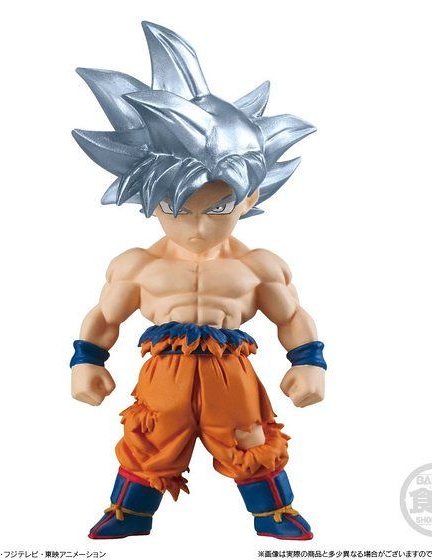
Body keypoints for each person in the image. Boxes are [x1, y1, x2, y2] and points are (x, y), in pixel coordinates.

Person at [70, 21, 327, 540]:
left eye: (218, 208)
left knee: (249, 437)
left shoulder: (258, 266)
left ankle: (274, 513)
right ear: (149, 202)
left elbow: (292, 317)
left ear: (250, 198)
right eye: (177, 209)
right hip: (163, 372)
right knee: (149, 436)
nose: (197, 227)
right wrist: (86, 361)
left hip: (230, 373)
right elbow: (104, 317)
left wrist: (309, 363)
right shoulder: (137, 265)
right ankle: (130, 513)